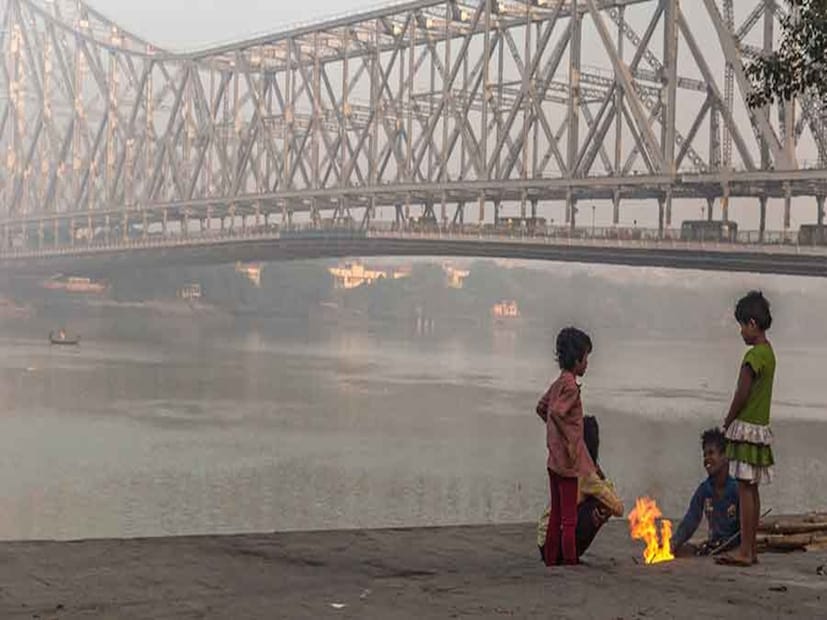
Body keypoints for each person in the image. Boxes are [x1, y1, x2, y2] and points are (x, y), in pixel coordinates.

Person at [716, 291, 775, 567]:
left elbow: (741, 394)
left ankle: (745, 551)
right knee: (753, 489)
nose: (741, 331)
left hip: (747, 427)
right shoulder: (769, 353)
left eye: (741, 325)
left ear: (752, 323)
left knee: (744, 490)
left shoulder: (753, 356)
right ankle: (751, 549)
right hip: (760, 427)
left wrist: (728, 420)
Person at [536, 327, 596, 566]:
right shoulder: (571, 387)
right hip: (567, 463)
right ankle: (570, 560)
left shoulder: (558, 383)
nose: (587, 363)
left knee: (556, 515)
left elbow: (542, 408)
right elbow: (558, 413)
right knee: (569, 518)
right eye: (586, 358)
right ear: (577, 359)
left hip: (553, 460)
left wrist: (553, 433)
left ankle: (551, 560)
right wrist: (569, 441)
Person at [536, 415, 624, 563]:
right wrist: (601, 476)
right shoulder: (587, 476)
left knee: (595, 501)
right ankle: (568, 555)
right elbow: (619, 509)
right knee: (601, 504)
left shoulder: (569, 463)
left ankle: (567, 553)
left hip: (545, 541)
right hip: (554, 543)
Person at [671, 428, 739, 557]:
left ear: (725, 456)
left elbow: (747, 525)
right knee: (680, 551)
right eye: (705, 455)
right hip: (714, 546)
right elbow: (691, 519)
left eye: (711, 453)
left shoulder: (736, 490)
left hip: (734, 547)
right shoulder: (704, 490)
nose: (707, 459)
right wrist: (674, 543)